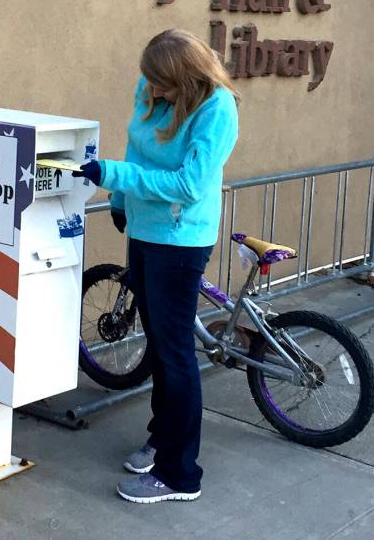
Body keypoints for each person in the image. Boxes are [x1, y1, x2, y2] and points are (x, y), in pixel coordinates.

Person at [73, 28, 240, 503]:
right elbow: (137, 147)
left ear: (185, 78)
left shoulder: (217, 109)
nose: (151, 91)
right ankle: (162, 438)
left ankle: (179, 474)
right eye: (149, 82)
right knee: (160, 348)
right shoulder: (152, 88)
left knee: (175, 354)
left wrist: (113, 176)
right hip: (147, 231)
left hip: (180, 239)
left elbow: (189, 184)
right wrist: (121, 198)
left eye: (161, 84)